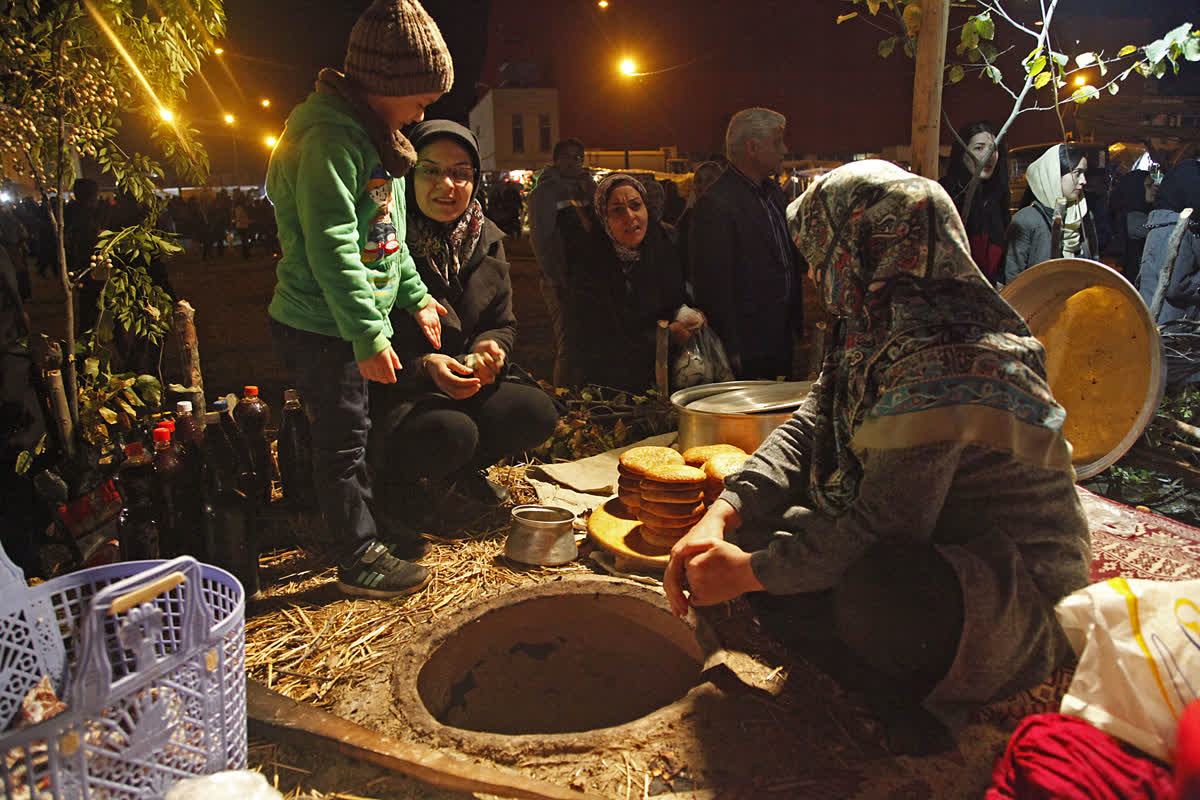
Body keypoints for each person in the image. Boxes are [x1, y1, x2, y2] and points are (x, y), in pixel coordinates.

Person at [664, 161, 1090, 753]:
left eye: (820, 254)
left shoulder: (946, 352)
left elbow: (881, 529)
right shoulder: (870, 324)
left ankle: (908, 698)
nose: (815, 273)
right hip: (938, 534)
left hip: (1012, 588)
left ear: (860, 247)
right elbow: (812, 422)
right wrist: (725, 511)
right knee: (768, 530)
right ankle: (854, 647)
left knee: (879, 595)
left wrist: (745, 572)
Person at [266, 0, 453, 600]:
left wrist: (417, 297)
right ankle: (356, 558)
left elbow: (386, 237)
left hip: (352, 320)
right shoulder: (327, 139)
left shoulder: (380, 139)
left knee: (361, 429)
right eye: (421, 94)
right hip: (324, 324)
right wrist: (368, 335)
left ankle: (369, 531)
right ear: (387, 82)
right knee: (342, 440)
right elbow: (332, 247)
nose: (427, 107)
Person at [370, 121, 559, 527]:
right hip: (399, 393)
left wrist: (490, 349)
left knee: (535, 411)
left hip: (465, 381)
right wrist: (425, 366)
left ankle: (460, 476)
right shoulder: (382, 240)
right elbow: (362, 336)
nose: (448, 184)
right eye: (431, 170)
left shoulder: (485, 238)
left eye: (461, 172)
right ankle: (401, 487)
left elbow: (503, 323)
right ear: (407, 174)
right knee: (451, 431)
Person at [689, 108, 804, 380]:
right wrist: (732, 347)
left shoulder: (773, 195)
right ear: (752, 147)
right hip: (748, 347)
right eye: (777, 142)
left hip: (781, 337)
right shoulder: (717, 204)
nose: (785, 150)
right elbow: (713, 285)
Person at [561, 173, 698, 390]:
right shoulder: (588, 264)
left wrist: (691, 316)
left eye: (636, 205)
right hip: (613, 388)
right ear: (603, 218)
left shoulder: (661, 249)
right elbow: (596, 338)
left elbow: (675, 300)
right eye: (617, 210)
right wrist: (664, 337)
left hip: (667, 384)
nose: (630, 216)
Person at [528, 137, 595, 386]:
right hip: (561, 277)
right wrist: (554, 277)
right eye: (567, 156)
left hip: (587, 277)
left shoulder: (587, 188)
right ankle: (564, 397)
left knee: (586, 337)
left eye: (578, 157)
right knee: (568, 342)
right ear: (556, 160)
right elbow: (541, 239)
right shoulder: (545, 192)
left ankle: (583, 392)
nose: (573, 162)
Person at [1003, 143, 1097, 284]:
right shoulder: (1027, 219)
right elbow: (1013, 279)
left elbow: (1094, 264)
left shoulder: (1083, 215)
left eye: (1084, 173)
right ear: (1054, 174)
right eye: (1077, 173)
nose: (1083, 181)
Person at [939, 120, 1010, 286]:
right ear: (962, 153)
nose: (988, 155)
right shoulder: (945, 194)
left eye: (994, 148)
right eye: (979, 148)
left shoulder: (996, 197)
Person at [1137, 158, 1200, 325]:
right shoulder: (1172, 229)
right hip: (1168, 329)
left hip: (1171, 324)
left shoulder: (1179, 224)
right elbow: (1175, 285)